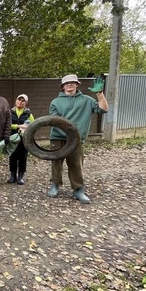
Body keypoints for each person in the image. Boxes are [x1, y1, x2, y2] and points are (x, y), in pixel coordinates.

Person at [47, 74, 108, 204]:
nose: (70, 84)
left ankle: (78, 189)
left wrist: (99, 94)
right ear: (62, 86)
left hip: (76, 138)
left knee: (76, 164)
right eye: (67, 83)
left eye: (72, 82)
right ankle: (55, 185)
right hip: (57, 137)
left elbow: (103, 109)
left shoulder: (87, 100)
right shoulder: (55, 102)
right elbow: (54, 119)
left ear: (77, 84)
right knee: (56, 162)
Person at [8, 94, 35, 185]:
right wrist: (18, 126)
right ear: (16, 101)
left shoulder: (28, 113)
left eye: (23, 101)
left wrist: (25, 128)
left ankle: (20, 176)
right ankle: (12, 176)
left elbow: (33, 125)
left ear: (26, 103)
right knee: (12, 156)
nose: (20, 102)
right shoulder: (10, 112)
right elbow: (7, 125)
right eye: (19, 100)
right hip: (12, 137)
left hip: (24, 138)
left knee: (23, 157)